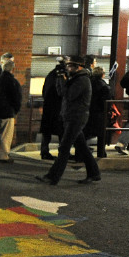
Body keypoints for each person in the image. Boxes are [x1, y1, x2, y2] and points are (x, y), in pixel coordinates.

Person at [37, 55, 101, 185]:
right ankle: (94, 173)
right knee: (82, 147)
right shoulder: (74, 78)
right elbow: (61, 93)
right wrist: (60, 79)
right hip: (70, 116)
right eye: (68, 65)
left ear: (78, 67)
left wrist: (62, 80)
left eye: (70, 66)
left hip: (76, 118)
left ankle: (52, 176)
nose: (68, 68)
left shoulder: (82, 80)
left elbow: (70, 95)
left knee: (64, 148)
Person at [0, 56, 22, 163]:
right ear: (12, 69)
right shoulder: (13, 82)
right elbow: (16, 98)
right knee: (5, 135)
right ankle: (3, 156)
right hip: (7, 111)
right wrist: (15, 110)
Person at [39, 58, 66, 160]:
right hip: (58, 108)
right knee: (61, 132)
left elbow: (44, 91)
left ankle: (44, 151)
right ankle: (62, 152)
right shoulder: (61, 76)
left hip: (48, 107)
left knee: (47, 132)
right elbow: (63, 92)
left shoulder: (50, 75)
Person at [84, 64, 111, 159]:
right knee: (101, 135)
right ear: (102, 74)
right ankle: (101, 152)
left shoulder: (88, 83)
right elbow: (106, 102)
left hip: (88, 111)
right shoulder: (104, 86)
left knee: (86, 132)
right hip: (99, 113)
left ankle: (82, 152)